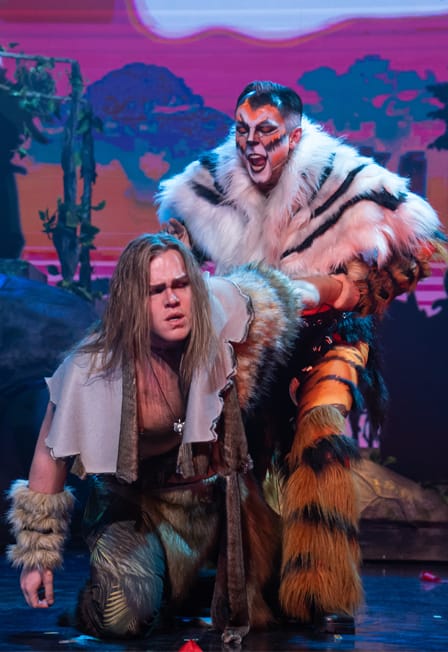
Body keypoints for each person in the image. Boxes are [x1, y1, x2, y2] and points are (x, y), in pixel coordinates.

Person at [156, 80, 447, 634]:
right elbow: (172, 251)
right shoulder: (207, 182)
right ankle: (245, 581)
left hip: (329, 334)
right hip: (257, 333)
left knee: (320, 436)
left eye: (265, 131)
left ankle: (321, 588)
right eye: (242, 131)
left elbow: (413, 256)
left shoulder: (347, 179)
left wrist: (336, 288)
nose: (252, 145)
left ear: (293, 136)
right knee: (239, 450)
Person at [6, 232, 358, 644]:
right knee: (120, 619)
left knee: (292, 596)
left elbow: (294, 292)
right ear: (132, 302)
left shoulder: (226, 309)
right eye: (156, 291)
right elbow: (50, 455)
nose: (173, 300)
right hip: (141, 509)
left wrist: (342, 290)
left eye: (181, 285)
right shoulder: (93, 370)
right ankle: (128, 595)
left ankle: (197, 590)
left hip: (222, 501)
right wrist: (37, 557)